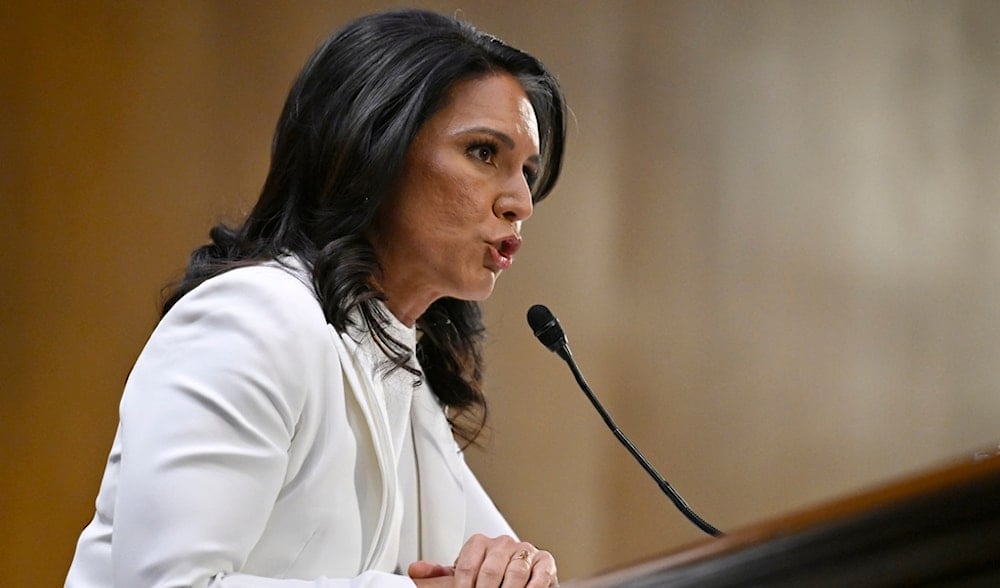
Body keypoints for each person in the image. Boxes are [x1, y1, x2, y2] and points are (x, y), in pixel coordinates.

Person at [65, 8, 566, 588]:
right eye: (484, 153)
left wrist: (520, 570)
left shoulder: (403, 368)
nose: (521, 202)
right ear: (370, 146)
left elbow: (491, 571)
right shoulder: (251, 318)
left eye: (526, 170)